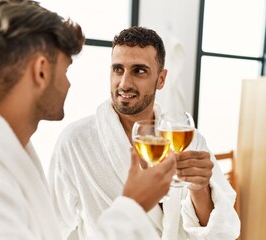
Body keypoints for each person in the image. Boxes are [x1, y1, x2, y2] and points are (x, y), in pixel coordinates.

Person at [0, 1, 179, 239]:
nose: (69, 83)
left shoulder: (5, 159)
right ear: (40, 71)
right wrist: (131, 206)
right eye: (65, 69)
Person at [49, 26, 241, 240]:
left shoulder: (191, 140)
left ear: (161, 79)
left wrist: (199, 188)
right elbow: (50, 229)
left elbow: (220, 234)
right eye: (118, 69)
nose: (124, 83)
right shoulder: (76, 142)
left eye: (139, 70)